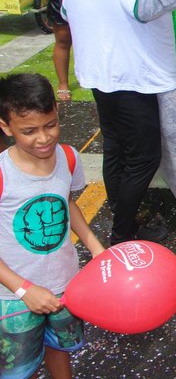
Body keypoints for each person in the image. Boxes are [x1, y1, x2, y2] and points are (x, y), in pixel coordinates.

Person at [0, 73, 105, 379]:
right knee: (22, 369)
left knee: (59, 350)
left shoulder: (69, 158)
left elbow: (67, 203)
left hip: (64, 285)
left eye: (50, 125)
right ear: (6, 127)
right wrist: (24, 289)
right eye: (29, 131)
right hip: (13, 296)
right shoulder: (3, 173)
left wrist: (97, 249)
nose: (43, 138)